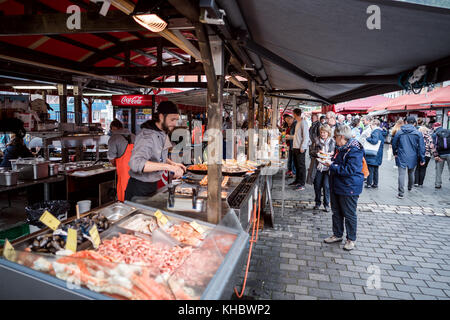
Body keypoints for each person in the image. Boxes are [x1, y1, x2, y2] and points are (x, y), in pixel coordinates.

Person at [125, 101, 186, 201]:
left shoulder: (163, 133)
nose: (175, 123)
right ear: (161, 117)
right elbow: (135, 163)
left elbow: (160, 156)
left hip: (152, 185)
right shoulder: (147, 136)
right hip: (139, 187)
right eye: (172, 119)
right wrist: (168, 167)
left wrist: (173, 164)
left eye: (176, 120)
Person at [323, 125, 364, 251]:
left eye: (335, 137)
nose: (334, 140)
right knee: (336, 211)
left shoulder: (354, 149)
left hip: (349, 186)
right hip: (338, 184)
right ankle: (337, 234)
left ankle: (351, 239)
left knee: (349, 213)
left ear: (341, 137)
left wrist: (332, 166)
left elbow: (350, 170)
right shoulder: (341, 148)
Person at [391, 116, 425, 199]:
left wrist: (395, 152)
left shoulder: (400, 132)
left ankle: (401, 193)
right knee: (411, 172)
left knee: (401, 174)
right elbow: (421, 147)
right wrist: (422, 158)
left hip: (401, 154)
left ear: (406, 122)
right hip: (413, 155)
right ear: (414, 123)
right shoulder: (418, 133)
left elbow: (394, 143)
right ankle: (410, 187)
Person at [107, 119, 136, 202]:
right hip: (136, 168)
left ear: (113, 128)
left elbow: (111, 158)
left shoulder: (113, 138)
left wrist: (115, 164)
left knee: (124, 192)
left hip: (124, 171)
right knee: (135, 192)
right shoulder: (133, 136)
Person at [310, 124, 335, 212]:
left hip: (328, 167)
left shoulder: (332, 141)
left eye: (324, 132)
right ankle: (317, 203)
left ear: (328, 133)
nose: (323, 134)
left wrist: (332, 154)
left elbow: (336, 153)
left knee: (326, 186)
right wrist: (317, 152)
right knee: (317, 185)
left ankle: (326, 204)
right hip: (318, 166)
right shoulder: (316, 140)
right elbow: (311, 152)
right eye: (321, 132)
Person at [286, 108, 309, 191]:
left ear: (295, 114)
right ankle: (297, 181)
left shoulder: (303, 122)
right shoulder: (298, 123)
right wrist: (290, 137)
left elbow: (306, 136)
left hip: (300, 148)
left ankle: (302, 183)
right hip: (295, 147)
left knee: (301, 166)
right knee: (296, 165)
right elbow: (297, 136)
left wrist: (303, 146)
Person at [364, 119, 386, 188]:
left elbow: (374, 141)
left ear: (374, 125)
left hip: (373, 154)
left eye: (371, 125)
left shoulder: (375, 132)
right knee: (376, 170)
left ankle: (369, 183)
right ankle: (375, 183)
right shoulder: (381, 131)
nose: (370, 127)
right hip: (378, 154)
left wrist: (368, 138)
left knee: (370, 169)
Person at [431, 122, 450, 189]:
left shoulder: (434, 134)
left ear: (435, 127)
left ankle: (438, 184)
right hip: (449, 154)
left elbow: (433, 146)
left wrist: (436, 156)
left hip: (440, 154)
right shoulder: (448, 131)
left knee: (438, 170)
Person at [283, 113, 296, 178]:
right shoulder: (290, 125)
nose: (287, 122)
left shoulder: (295, 125)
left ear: (292, 119)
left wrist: (289, 136)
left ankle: (293, 172)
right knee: (290, 158)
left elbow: (296, 136)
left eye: (288, 120)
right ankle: (290, 170)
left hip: (294, 144)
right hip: (290, 143)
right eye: (286, 120)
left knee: (293, 158)